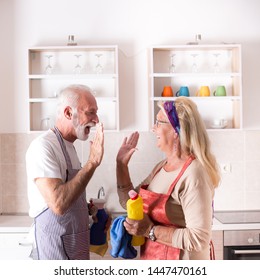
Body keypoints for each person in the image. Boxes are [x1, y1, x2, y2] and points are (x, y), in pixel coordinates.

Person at [116, 97, 221, 260]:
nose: (153, 128)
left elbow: (199, 239)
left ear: (176, 130)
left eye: (159, 122)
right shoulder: (161, 167)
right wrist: (121, 165)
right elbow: (128, 203)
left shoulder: (194, 173)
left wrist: (149, 230)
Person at [26, 84, 104, 260]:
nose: (96, 119)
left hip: (74, 247)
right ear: (69, 113)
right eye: (90, 112)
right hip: (53, 250)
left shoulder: (70, 147)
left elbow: (68, 194)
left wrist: (86, 210)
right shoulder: (43, 146)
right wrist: (92, 163)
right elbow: (58, 204)